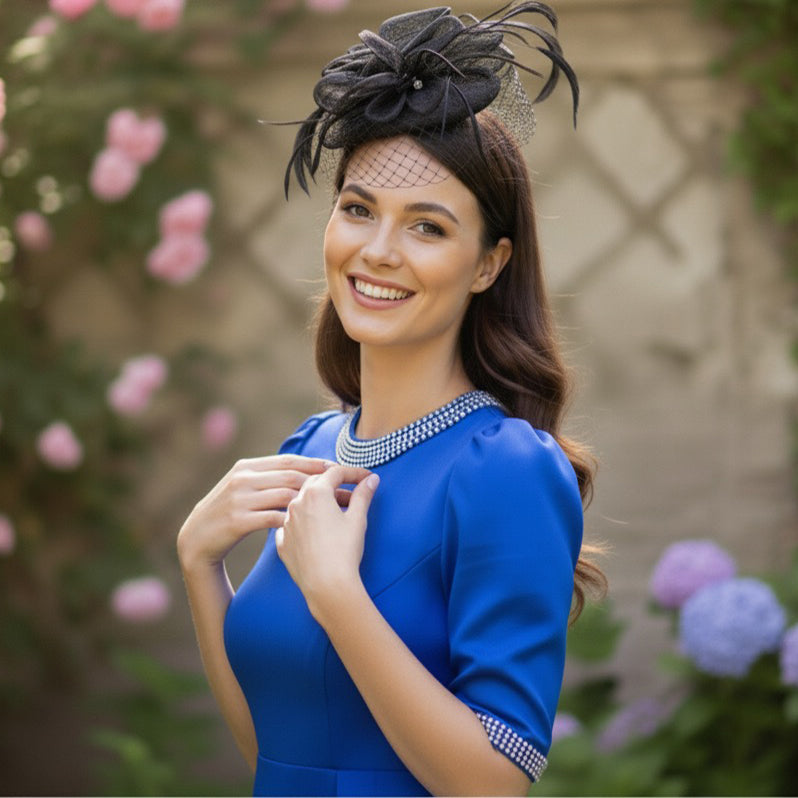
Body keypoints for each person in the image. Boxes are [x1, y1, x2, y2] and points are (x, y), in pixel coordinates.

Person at [178, 3, 606, 796]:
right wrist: (202, 567)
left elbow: (495, 785)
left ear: (488, 264)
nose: (377, 251)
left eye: (427, 227)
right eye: (358, 209)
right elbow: (277, 753)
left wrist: (338, 597)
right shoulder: (308, 449)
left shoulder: (506, 469)